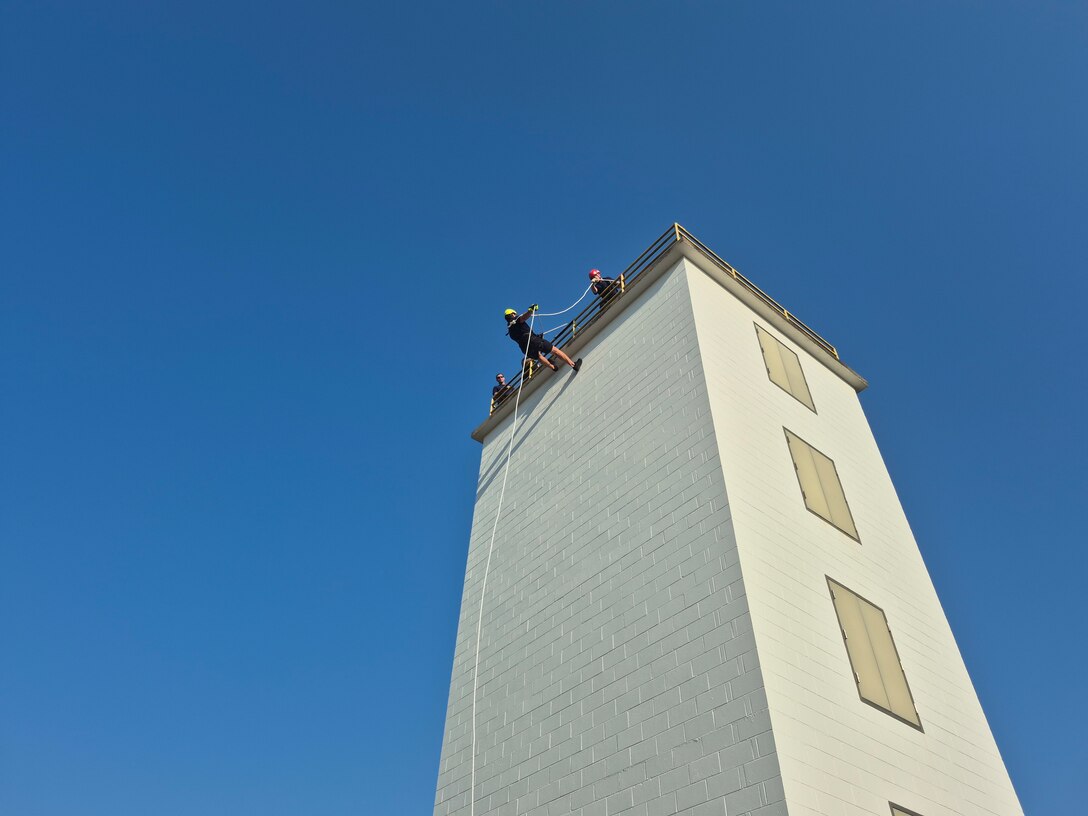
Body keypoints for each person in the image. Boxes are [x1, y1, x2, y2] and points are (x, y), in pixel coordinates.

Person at [504, 307, 582, 373]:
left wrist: (536, 336)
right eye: (515, 314)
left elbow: (522, 335)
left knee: (538, 356)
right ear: (512, 314)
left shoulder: (510, 331)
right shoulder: (515, 320)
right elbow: (523, 318)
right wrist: (530, 310)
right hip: (533, 340)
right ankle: (573, 365)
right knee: (554, 350)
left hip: (525, 348)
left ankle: (553, 367)